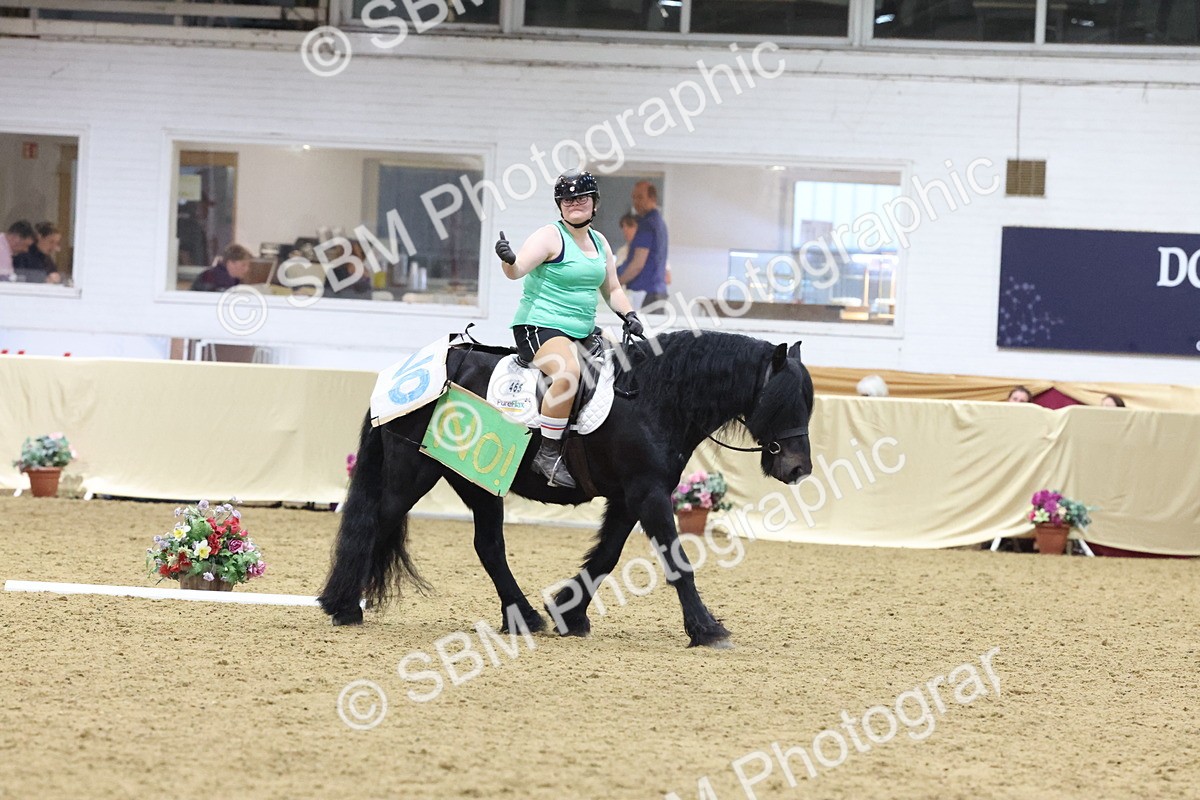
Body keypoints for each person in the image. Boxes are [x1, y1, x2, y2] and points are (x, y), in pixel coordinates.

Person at [496, 170, 641, 488]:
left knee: (628, 366)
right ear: (559, 205)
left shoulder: (600, 243)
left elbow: (612, 288)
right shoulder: (549, 236)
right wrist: (508, 260)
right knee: (567, 373)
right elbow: (517, 270)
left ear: (594, 204)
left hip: (583, 331)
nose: (575, 203)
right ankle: (547, 455)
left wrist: (629, 315)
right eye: (567, 199)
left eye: (581, 198)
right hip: (540, 327)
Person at [617, 180, 669, 309]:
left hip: (647, 294)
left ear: (652, 198)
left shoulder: (648, 224)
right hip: (656, 293)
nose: (636, 202)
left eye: (640, 197)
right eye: (634, 198)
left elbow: (637, 264)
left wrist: (616, 283)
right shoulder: (659, 223)